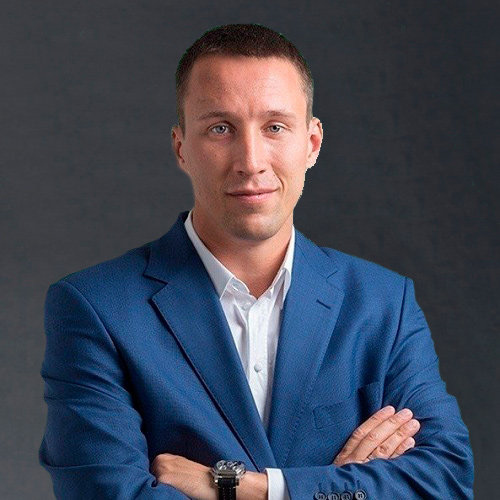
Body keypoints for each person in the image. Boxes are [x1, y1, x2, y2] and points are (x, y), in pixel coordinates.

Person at [39, 24, 473, 499]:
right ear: (182, 147)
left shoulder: (384, 304)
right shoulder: (95, 308)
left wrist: (248, 488)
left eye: (275, 127)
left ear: (312, 143)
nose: (250, 160)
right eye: (220, 128)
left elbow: (445, 480)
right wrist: (334, 487)